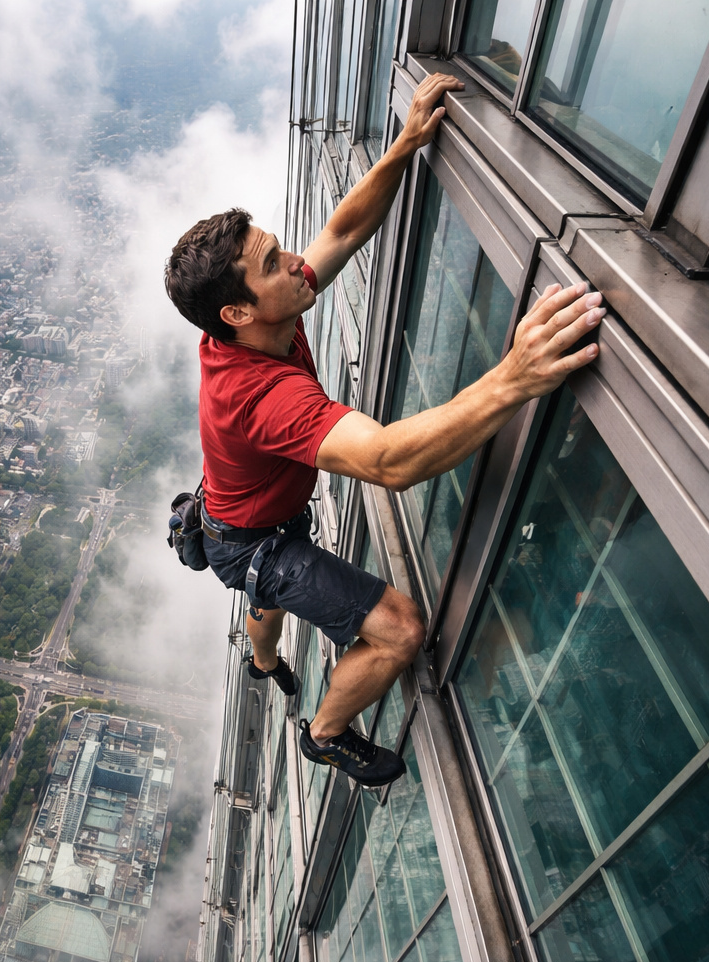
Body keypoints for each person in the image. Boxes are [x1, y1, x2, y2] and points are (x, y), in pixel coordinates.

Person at [163, 72, 607, 788]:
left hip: (237, 518)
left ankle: (263, 660)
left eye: (277, 250)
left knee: (263, 594)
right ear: (238, 314)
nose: (295, 266)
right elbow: (391, 460)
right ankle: (327, 734)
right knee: (398, 628)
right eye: (274, 265)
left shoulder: (263, 314)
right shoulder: (260, 397)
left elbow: (340, 231)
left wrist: (403, 145)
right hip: (250, 537)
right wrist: (517, 376)